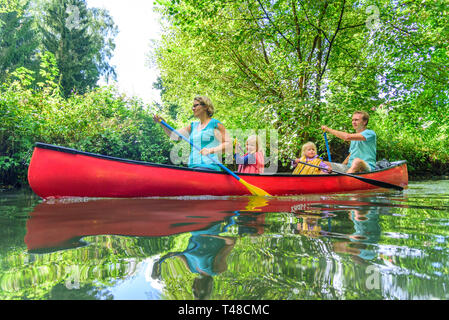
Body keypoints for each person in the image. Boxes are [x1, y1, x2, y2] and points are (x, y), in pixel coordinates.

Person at [153, 96, 231, 171]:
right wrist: (163, 124)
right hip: (192, 167)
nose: (193, 108)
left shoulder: (215, 124)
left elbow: (228, 145)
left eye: (195, 105)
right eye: (192, 106)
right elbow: (175, 136)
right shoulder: (193, 126)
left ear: (205, 107)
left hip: (209, 167)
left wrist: (211, 150)